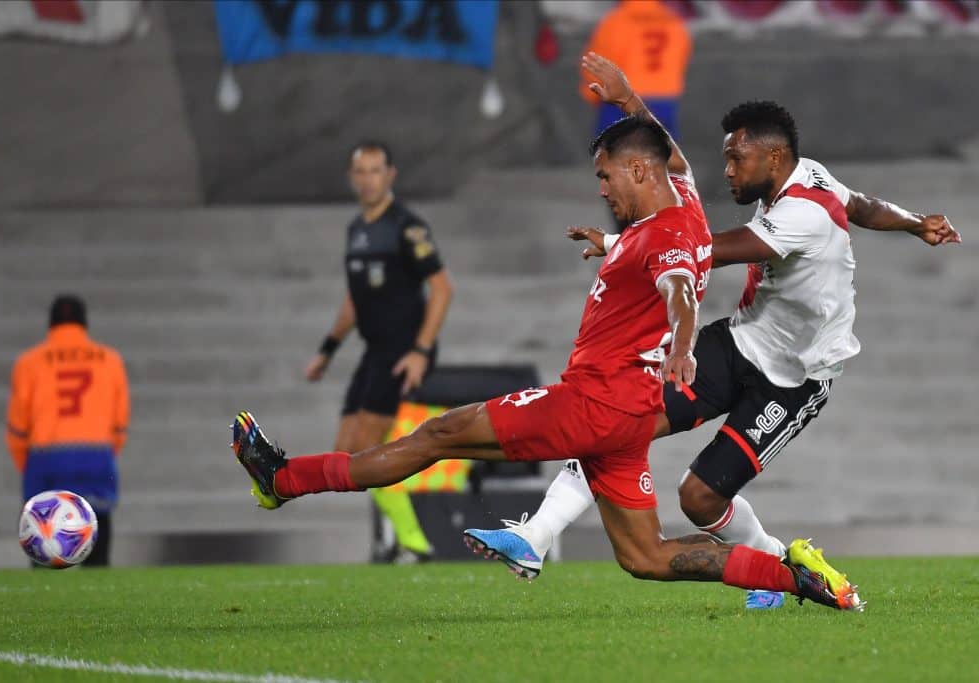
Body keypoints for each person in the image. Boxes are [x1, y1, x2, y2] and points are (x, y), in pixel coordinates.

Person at [232, 115, 863, 611]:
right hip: (627, 417)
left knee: (438, 434)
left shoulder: (669, 235)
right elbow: (673, 161)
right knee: (645, 557)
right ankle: (795, 577)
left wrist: (682, 339)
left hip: (593, 403)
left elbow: (676, 289)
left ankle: (284, 480)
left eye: (606, 175)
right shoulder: (684, 214)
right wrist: (625, 104)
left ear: (638, 170)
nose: (602, 187)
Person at [465, 53, 960, 609]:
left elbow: (708, 252)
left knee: (699, 498)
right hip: (739, 342)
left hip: (794, 379)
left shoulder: (803, 214)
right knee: (617, 422)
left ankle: (773, 567)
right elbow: (863, 205)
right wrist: (918, 223)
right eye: (726, 158)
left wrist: (620, 245)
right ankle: (534, 536)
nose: (727, 171)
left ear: (773, 156)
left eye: (737, 159)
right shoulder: (810, 174)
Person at [303, 141, 454, 563]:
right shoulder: (357, 230)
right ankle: (405, 539)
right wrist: (327, 350)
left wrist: (421, 350)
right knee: (348, 452)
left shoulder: (407, 227)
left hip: (402, 350)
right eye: (361, 171)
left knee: (366, 451)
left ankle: (410, 543)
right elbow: (355, 300)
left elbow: (442, 288)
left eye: (375, 170)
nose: (368, 179)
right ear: (353, 178)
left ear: (390, 175)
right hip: (374, 351)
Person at [6, 295, 130, 567]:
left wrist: (27, 465)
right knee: (97, 523)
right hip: (96, 454)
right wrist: (107, 452)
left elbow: (17, 428)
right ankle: (98, 588)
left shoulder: (29, 362)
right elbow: (119, 425)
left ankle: (43, 597)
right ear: (84, 323)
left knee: (43, 532)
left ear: (51, 324)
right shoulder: (109, 360)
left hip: (45, 456)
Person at [580, 0, 691, 139]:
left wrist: (594, 93)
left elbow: (597, 62)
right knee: (660, 154)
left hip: (621, 99)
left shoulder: (616, 21)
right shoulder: (674, 22)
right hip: (663, 100)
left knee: (614, 154)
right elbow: (680, 58)